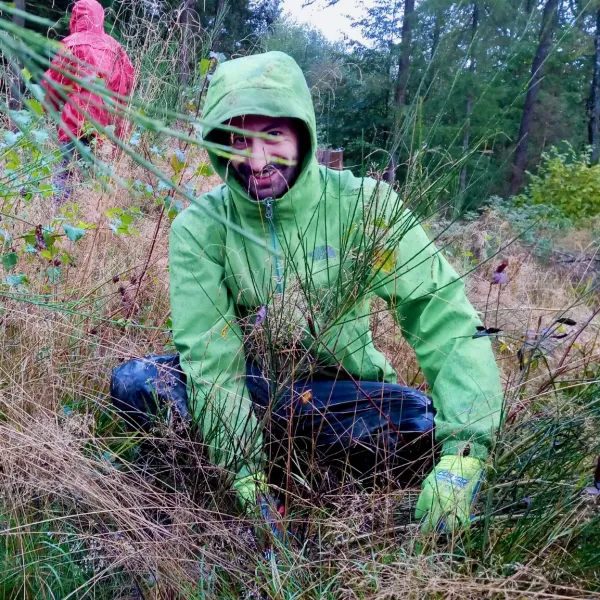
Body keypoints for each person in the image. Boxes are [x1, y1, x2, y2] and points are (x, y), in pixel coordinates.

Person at [111, 51, 503, 536]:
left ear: (303, 131)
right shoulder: (200, 228)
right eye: (238, 140)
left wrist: (464, 452)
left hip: (345, 398)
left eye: (272, 135)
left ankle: (352, 475)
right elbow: (213, 362)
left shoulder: (365, 206)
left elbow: (443, 320)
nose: (255, 161)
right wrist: (245, 477)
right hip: (255, 393)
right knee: (139, 383)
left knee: (423, 431)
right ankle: (254, 474)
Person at [41, 0, 134, 204]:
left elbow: (55, 82)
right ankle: (91, 224)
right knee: (96, 185)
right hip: (106, 129)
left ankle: (59, 223)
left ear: (76, 18)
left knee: (66, 179)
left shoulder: (72, 43)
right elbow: (126, 85)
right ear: (101, 17)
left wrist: (48, 107)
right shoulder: (117, 48)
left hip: (75, 124)